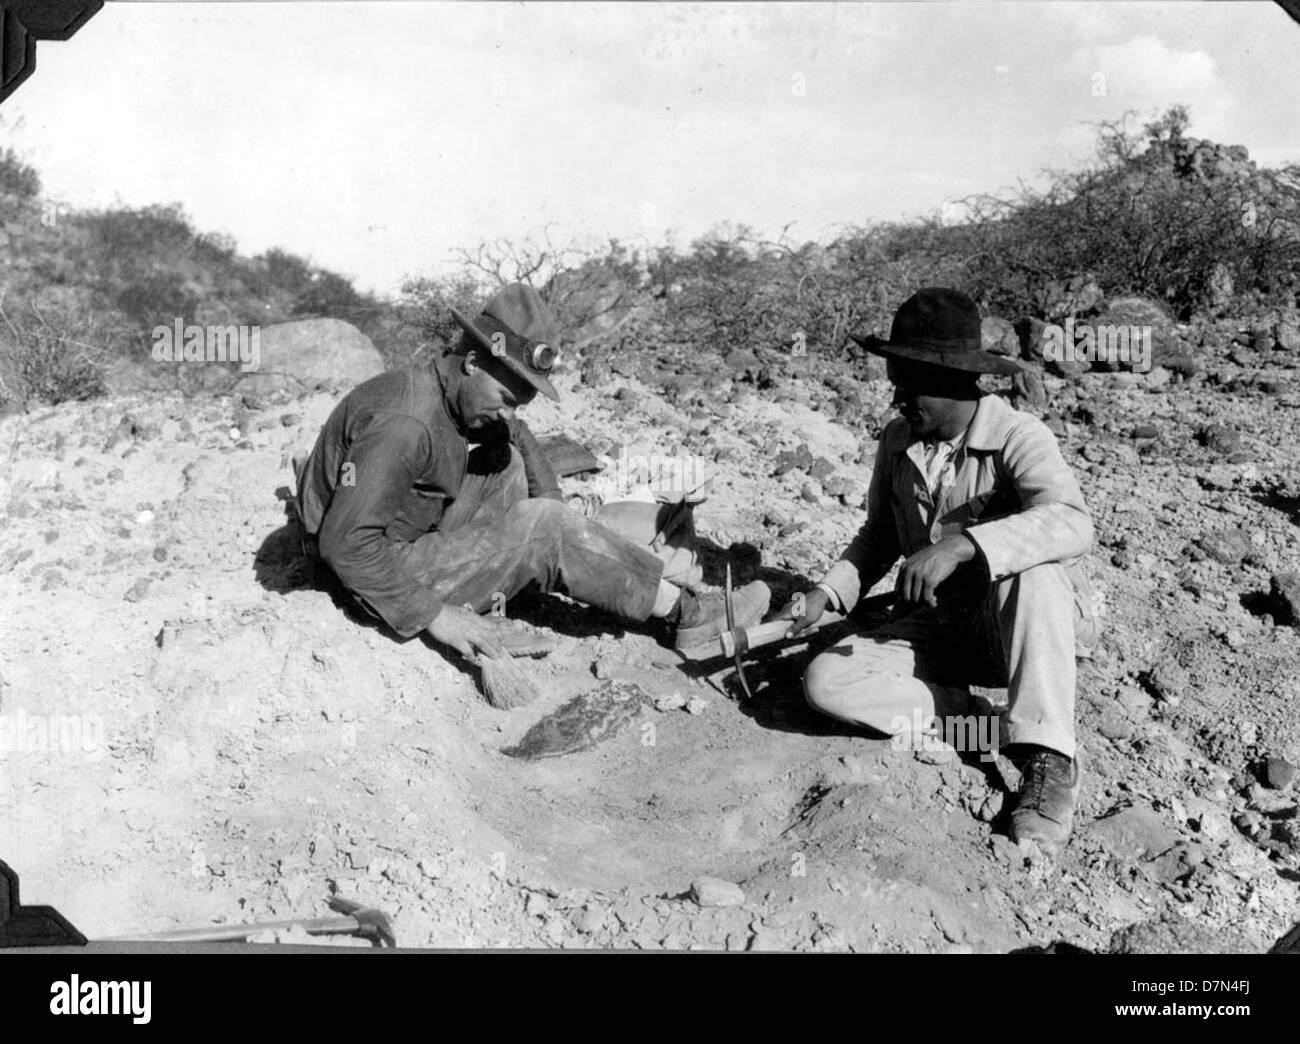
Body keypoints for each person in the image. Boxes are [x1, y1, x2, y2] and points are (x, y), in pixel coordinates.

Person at [296, 283, 769, 664]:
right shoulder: (406, 425)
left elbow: (516, 434)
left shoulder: (445, 387)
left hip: (402, 531)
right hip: (369, 573)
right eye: (506, 399)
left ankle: (540, 562)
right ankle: (686, 614)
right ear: (472, 361)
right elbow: (345, 544)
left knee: (512, 464)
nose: (509, 414)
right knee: (545, 528)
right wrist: (437, 615)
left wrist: (560, 515)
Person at [778, 288, 1098, 845]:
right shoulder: (899, 441)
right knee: (827, 681)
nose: (897, 396)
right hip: (943, 624)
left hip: (1018, 630)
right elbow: (879, 535)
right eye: (895, 380)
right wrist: (826, 595)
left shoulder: (1019, 437)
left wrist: (963, 545)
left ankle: (1049, 761)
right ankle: (979, 720)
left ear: (953, 379)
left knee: (1036, 570)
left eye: (908, 382)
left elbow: (1072, 522)